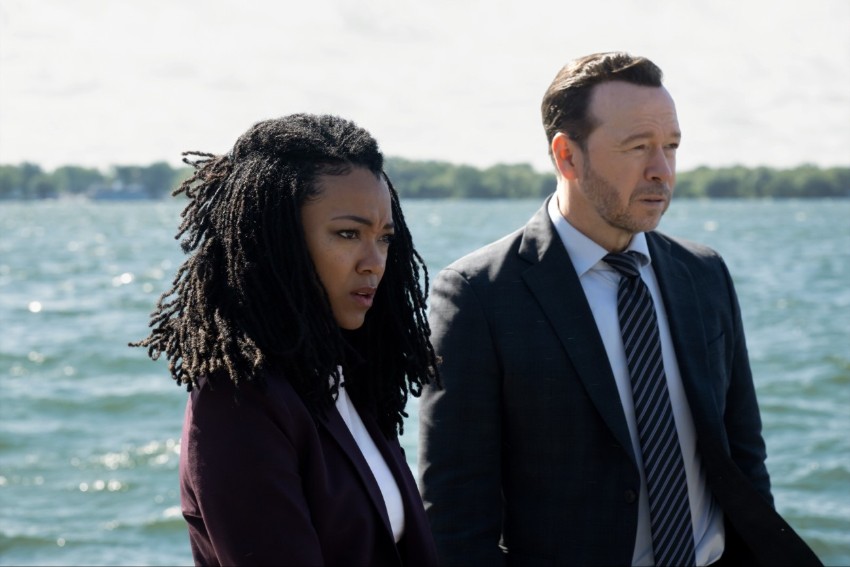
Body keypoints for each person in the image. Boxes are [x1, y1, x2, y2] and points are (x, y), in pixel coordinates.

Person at [417, 52, 821, 566]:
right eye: (637, 147)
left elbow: (744, 457)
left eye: (671, 147)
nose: (662, 171)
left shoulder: (704, 273)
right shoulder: (478, 295)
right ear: (567, 156)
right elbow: (455, 515)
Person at [133, 113, 440, 566]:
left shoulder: (351, 376)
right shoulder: (237, 401)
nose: (375, 261)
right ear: (276, 241)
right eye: (348, 234)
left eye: (384, 238)